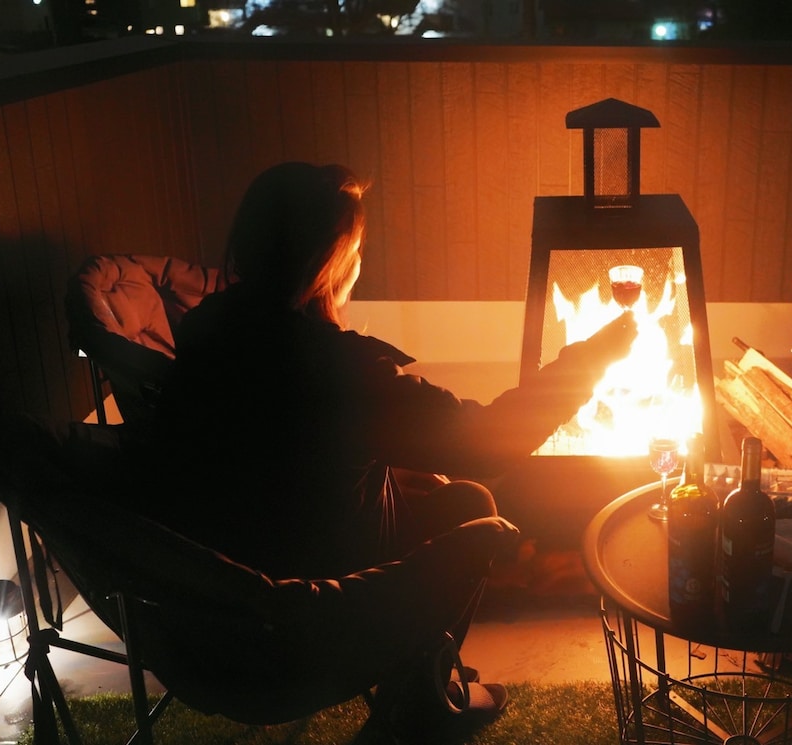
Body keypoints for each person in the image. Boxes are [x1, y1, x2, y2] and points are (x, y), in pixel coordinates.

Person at [138, 162, 637, 739]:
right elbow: (486, 441)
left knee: (453, 494)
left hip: (205, 623)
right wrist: (590, 360)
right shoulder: (341, 371)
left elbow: (285, 458)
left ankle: (423, 683)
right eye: (354, 249)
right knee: (474, 507)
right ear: (327, 264)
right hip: (308, 621)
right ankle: (418, 706)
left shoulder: (207, 331)